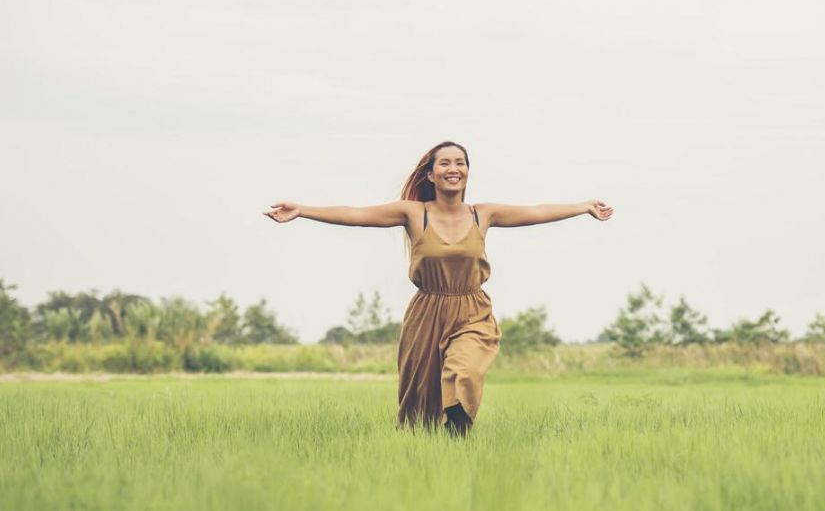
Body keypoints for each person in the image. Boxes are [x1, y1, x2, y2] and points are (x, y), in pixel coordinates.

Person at [262, 140, 613, 436]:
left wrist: (582, 207)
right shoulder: (415, 213)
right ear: (431, 174)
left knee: (465, 369)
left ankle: (458, 426)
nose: (453, 168)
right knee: (419, 401)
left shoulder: (483, 214)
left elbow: (535, 211)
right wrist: (303, 210)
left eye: (460, 162)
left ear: (467, 172)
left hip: (472, 310)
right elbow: (357, 214)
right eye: (445, 162)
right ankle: (430, 448)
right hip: (427, 312)